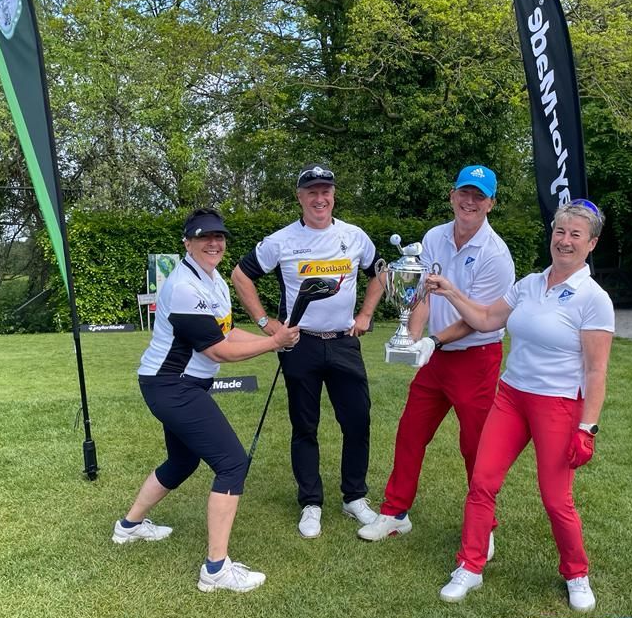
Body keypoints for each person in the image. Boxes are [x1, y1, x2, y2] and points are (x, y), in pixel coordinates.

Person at [429, 199, 614, 612]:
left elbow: (596, 370)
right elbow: (486, 319)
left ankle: (577, 573)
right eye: (560, 231)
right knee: (482, 481)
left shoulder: (593, 298)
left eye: (576, 235)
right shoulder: (530, 283)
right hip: (511, 397)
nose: (565, 241)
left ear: (591, 244)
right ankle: (470, 565)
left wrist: (587, 428)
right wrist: (452, 291)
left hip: (558, 405)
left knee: (556, 498)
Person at [112, 208, 300, 594]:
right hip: (172, 386)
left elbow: (227, 333)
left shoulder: (212, 280)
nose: (214, 243)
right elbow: (217, 351)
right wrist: (273, 344)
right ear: (188, 243)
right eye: (204, 237)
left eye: (219, 237)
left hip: (177, 385)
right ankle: (215, 569)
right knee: (232, 463)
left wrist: (274, 339)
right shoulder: (184, 287)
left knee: (182, 461)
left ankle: (128, 527)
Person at [358, 166, 515, 548]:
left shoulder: (496, 255)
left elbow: (479, 319)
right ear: (452, 195)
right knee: (411, 431)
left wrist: (433, 341)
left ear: (491, 204)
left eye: (479, 196)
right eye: (465, 193)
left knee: (475, 444)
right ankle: (396, 512)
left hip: (477, 357)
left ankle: (484, 527)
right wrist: (413, 340)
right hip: (438, 357)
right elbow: (421, 297)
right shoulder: (434, 237)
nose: (470, 202)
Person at [232, 164, 384, 539]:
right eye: (312, 192)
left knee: (357, 420)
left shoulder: (354, 236)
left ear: (334, 195)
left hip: (344, 341)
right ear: (300, 197)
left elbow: (381, 272)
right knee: (305, 426)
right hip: (300, 343)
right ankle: (311, 502)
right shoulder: (282, 240)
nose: (320, 198)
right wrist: (266, 322)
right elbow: (240, 274)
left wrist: (366, 314)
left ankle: (354, 497)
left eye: (325, 191)